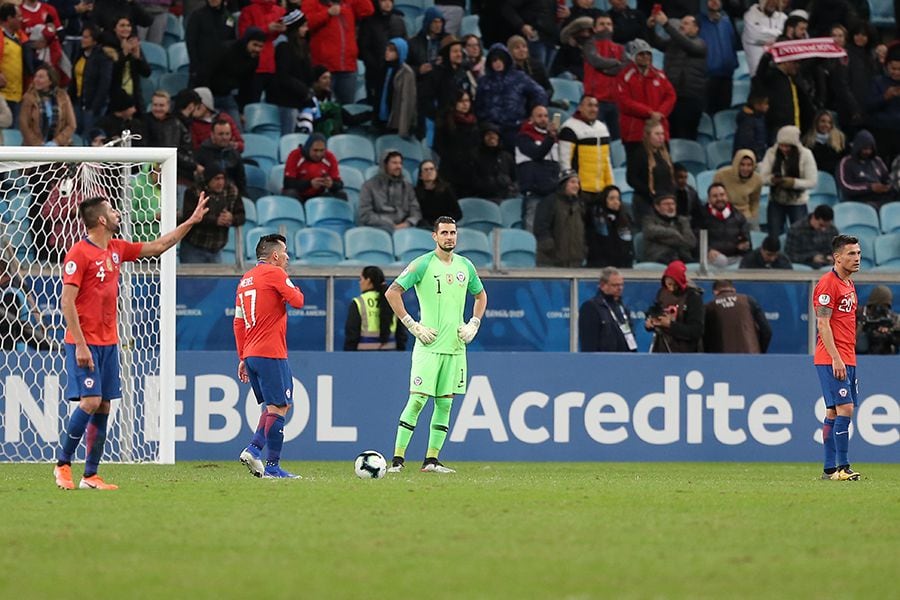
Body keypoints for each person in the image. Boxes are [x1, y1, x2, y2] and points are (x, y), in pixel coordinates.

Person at [53, 194, 210, 491]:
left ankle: (90, 475)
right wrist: (82, 345)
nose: (117, 213)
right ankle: (62, 465)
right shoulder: (79, 253)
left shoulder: (116, 249)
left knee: (104, 406)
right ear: (101, 219)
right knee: (90, 401)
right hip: (83, 343)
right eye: (112, 211)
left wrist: (190, 221)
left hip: (109, 342)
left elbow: (160, 246)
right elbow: (67, 303)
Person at [385, 216, 487, 474]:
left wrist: (473, 322)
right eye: (444, 233)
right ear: (435, 236)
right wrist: (413, 325)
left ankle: (431, 460)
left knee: (445, 404)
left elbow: (480, 295)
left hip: (455, 348)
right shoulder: (422, 264)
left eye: (453, 232)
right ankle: (397, 460)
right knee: (418, 401)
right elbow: (392, 292)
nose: (449, 237)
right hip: (428, 346)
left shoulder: (466, 266)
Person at [234, 233, 306, 479]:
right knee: (280, 405)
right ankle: (263, 457)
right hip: (271, 351)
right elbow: (297, 300)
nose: (287, 257)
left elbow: (238, 322)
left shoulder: (245, 280)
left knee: (274, 406)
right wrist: (290, 283)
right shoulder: (275, 274)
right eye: (285, 253)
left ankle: (262, 456)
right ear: (275, 255)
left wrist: (243, 356)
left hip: (252, 353)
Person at [813, 234, 863, 481]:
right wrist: (835, 357)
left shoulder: (849, 284)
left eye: (858, 253)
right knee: (846, 408)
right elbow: (822, 324)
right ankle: (843, 467)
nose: (857, 258)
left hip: (847, 356)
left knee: (833, 411)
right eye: (851, 254)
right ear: (837, 257)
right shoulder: (827, 284)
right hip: (832, 357)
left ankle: (829, 469)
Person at [647, 10, 707, 141]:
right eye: (681, 23)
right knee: (670, 134)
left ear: (696, 29)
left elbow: (687, 45)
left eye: (686, 23)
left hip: (690, 98)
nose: (681, 26)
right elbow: (655, 43)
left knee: (686, 136)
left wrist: (666, 24)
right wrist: (650, 28)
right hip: (671, 96)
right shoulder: (673, 43)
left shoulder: (700, 44)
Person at [616, 39, 676, 160]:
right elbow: (624, 102)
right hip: (634, 134)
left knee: (663, 168)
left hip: (659, 130)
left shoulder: (660, 75)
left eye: (648, 53)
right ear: (633, 57)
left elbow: (671, 96)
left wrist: (660, 113)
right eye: (641, 54)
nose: (646, 57)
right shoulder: (624, 76)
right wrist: (649, 113)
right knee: (637, 173)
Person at [179, 164, 246, 263]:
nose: (220, 182)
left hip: (217, 249)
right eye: (216, 179)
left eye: (222, 178)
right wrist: (215, 220)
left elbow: (241, 216)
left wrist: (231, 218)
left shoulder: (232, 191)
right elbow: (188, 216)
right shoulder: (194, 191)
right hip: (194, 246)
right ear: (208, 179)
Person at [759, 125, 818, 237]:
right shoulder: (771, 153)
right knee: (774, 234)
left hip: (798, 202)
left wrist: (793, 183)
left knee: (800, 235)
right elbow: (762, 178)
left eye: (788, 146)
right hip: (776, 200)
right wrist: (772, 180)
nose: (784, 149)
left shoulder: (806, 155)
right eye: (781, 145)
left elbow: (812, 181)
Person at [558, 94, 614, 205]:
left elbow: (606, 161)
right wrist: (571, 187)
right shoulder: (569, 128)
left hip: (601, 191)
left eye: (595, 106)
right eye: (589, 105)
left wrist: (610, 186)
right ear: (580, 107)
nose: (593, 109)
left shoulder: (602, 128)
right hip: (581, 190)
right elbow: (564, 162)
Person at [515, 103, 559, 231]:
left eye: (546, 116)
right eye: (539, 116)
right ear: (531, 119)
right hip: (534, 192)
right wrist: (550, 138)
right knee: (531, 230)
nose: (544, 119)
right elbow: (536, 154)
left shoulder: (553, 139)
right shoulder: (524, 137)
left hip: (551, 192)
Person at [644, 259, 704, 353]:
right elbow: (654, 312)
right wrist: (651, 323)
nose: (671, 288)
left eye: (675, 285)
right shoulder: (662, 293)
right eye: (669, 284)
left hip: (685, 352)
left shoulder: (693, 297)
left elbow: (696, 331)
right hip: (662, 349)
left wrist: (670, 325)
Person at [344, 265, 408, 350]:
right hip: (391, 355)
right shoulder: (392, 299)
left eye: (361, 279)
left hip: (364, 356)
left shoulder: (359, 302)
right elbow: (401, 334)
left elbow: (352, 334)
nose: (360, 282)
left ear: (368, 280)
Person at [358, 150, 422, 233]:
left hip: (404, 228)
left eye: (400, 163)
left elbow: (416, 211)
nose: (399, 166)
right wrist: (389, 224)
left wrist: (407, 223)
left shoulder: (407, 187)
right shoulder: (368, 186)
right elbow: (365, 214)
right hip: (377, 228)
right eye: (394, 163)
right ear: (385, 165)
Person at [628, 119, 676, 227]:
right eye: (657, 134)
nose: (661, 137)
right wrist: (650, 192)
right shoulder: (639, 154)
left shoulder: (664, 154)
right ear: (648, 136)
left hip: (664, 200)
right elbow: (631, 179)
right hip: (645, 202)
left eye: (662, 134)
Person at [703, 279, 771, 353]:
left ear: (715, 292)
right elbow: (766, 331)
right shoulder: (748, 300)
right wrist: (759, 351)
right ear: (734, 290)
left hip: (722, 356)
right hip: (751, 355)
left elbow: (705, 336)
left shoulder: (709, 306)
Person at [534, 170, 586, 267]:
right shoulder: (550, 202)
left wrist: (583, 249)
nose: (576, 186)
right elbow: (541, 226)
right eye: (572, 182)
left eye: (578, 183)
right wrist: (549, 247)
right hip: (552, 261)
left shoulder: (580, 204)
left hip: (575, 261)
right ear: (563, 184)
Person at [578, 266, 637, 352]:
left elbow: (629, 337)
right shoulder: (591, 307)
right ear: (603, 286)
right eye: (615, 285)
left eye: (621, 285)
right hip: (603, 361)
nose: (620, 288)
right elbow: (589, 343)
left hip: (625, 360)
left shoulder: (622, 308)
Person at [693, 183, 751, 268]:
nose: (719, 198)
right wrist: (708, 250)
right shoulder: (701, 216)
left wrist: (744, 244)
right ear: (709, 199)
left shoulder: (738, 216)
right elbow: (695, 238)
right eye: (715, 196)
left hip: (735, 256)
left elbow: (746, 237)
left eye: (722, 195)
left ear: (727, 196)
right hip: (712, 257)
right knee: (721, 261)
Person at [18, 63, 76, 146]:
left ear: (50, 81)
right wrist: (38, 144)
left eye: (41, 77)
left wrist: (56, 142)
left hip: (59, 147)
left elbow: (71, 125)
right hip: (34, 148)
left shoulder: (63, 97)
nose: (36, 80)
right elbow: (24, 125)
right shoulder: (28, 97)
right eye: (36, 76)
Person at [836, 129, 896, 208]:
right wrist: (870, 188)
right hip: (858, 201)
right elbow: (846, 186)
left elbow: (887, 179)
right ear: (858, 147)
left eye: (870, 149)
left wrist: (887, 186)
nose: (867, 152)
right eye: (864, 148)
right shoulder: (846, 162)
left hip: (880, 199)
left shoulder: (877, 160)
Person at [282, 132, 345, 202]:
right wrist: (310, 184)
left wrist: (331, 184)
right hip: (299, 194)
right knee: (289, 193)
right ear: (308, 148)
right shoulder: (295, 155)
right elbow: (288, 184)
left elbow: (339, 183)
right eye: (315, 150)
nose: (318, 154)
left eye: (322, 150)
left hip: (319, 195)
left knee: (340, 194)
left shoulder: (330, 157)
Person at [584, 184, 634, 268]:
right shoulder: (595, 219)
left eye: (618, 198)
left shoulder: (624, 218)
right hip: (600, 265)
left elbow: (628, 245)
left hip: (623, 266)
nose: (616, 201)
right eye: (612, 198)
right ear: (604, 200)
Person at [375, 37, 416, 137]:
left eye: (391, 50)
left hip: (395, 122)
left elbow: (406, 101)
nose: (387, 52)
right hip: (380, 117)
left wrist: (403, 129)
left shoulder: (406, 72)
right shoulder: (384, 67)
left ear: (400, 53)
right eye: (387, 49)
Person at [714, 149, 764, 229]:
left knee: (754, 232)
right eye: (742, 164)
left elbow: (754, 202)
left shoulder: (757, 179)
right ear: (736, 164)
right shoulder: (721, 175)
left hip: (745, 215)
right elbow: (714, 197)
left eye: (749, 165)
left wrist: (753, 218)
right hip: (725, 212)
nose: (745, 168)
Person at [195, 119, 247, 196]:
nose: (224, 137)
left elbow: (241, 181)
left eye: (227, 134)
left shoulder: (234, 154)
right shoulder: (202, 153)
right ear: (212, 135)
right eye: (221, 134)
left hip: (232, 195)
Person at [642, 192, 696, 264]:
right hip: (659, 256)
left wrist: (684, 224)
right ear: (657, 207)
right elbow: (650, 231)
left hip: (682, 257)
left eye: (673, 204)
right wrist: (676, 234)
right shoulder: (649, 220)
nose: (671, 207)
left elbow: (691, 243)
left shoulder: (681, 221)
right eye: (666, 204)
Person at [785, 204, 839, 268]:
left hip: (826, 264)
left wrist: (831, 257)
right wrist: (812, 258)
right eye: (821, 225)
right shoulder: (796, 229)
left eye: (826, 226)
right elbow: (790, 256)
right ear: (813, 217)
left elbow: (837, 250)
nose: (823, 229)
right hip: (805, 264)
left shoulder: (832, 229)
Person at [741, 0, 786, 77]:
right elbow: (754, 35)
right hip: (757, 74)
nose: (772, 2)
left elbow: (787, 37)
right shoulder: (750, 16)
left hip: (779, 72)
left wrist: (765, 35)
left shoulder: (783, 17)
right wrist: (778, 34)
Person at [415, 160, 461, 228]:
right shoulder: (416, 192)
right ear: (420, 176)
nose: (429, 172)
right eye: (426, 170)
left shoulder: (446, 189)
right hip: (425, 227)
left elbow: (458, 214)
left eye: (432, 169)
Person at [802, 110, 846, 181]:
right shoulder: (807, 141)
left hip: (835, 178)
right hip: (814, 178)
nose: (826, 125)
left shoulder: (840, 139)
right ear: (816, 123)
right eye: (823, 121)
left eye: (829, 122)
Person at [856, 285, 900, 355]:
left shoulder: (893, 318)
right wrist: (863, 326)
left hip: (888, 357)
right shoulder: (862, 315)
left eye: (885, 306)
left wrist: (889, 332)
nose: (881, 309)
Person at [733, 89, 769, 162]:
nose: (767, 106)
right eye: (765, 104)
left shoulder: (759, 118)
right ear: (757, 105)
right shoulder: (747, 121)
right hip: (750, 160)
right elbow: (747, 144)